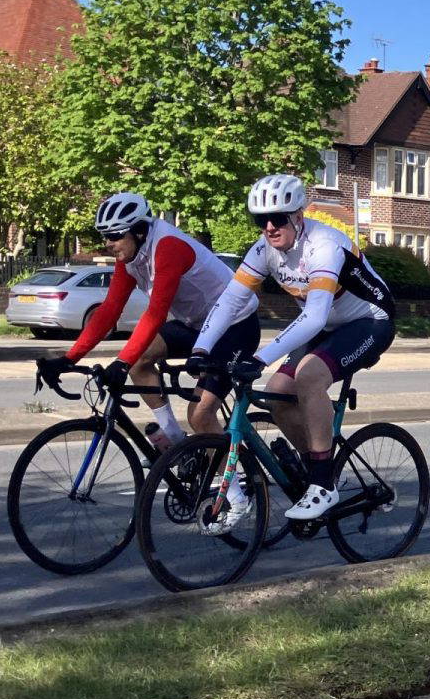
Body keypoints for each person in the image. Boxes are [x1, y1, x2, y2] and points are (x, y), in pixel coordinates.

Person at [191, 174, 397, 528]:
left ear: (298, 216)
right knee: (277, 393)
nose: (269, 227)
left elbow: (314, 316)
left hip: (369, 321)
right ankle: (316, 467)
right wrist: (201, 348)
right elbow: (230, 301)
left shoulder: (325, 245)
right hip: (326, 325)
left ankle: (322, 484)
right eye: (261, 220)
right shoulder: (263, 250)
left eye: (278, 218)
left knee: (309, 376)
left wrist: (260, 359)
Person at [35, 192, 261, 448]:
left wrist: (121, 362)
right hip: (196, 325)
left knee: (200, 415)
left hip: (235, 327)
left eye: (115, 235)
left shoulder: (168, 246)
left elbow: (156, 313)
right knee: (138, 362)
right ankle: (175, 441)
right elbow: (109, 310)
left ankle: (227, 475)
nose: (108, 243)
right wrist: (69, 358)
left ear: (139, 231)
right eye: (105, 236)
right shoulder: (131, 255)